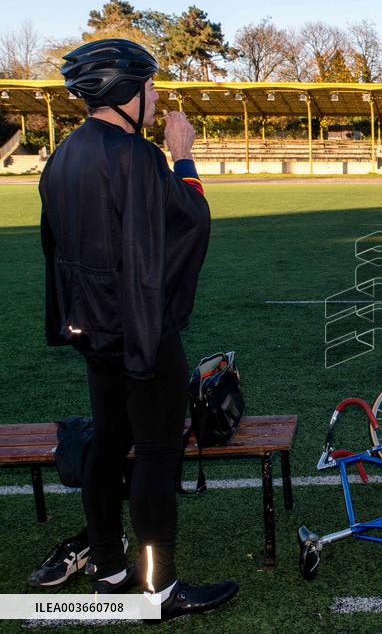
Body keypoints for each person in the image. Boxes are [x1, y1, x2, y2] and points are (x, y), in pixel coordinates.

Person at [39, 38, 237, 618]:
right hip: (141, 331)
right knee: (154, 451)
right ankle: (160, 590)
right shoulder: (138, 157)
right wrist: (182, 156)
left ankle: (110, 570)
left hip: (91, 329)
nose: (155, 95)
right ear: (125, 90)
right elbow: (190, 220)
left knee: (107, 442)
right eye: (149, 85)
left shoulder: (63, 155)